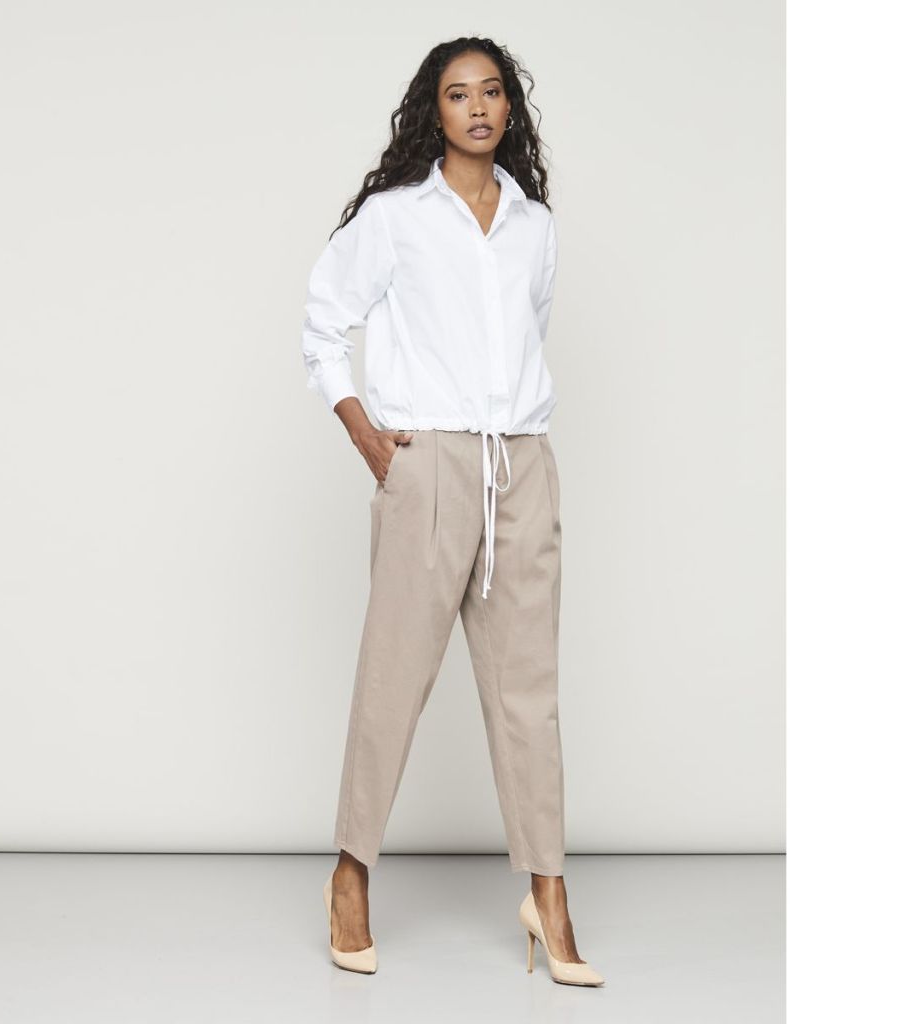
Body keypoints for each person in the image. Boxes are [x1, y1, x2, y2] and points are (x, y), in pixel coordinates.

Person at [302, 37, 604, 987]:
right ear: (433, 113)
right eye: (457, 94)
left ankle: (548, 892)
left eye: (491, 91)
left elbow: (525, 340)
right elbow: (323, 322)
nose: (477, 107)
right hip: (427, 461)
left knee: (529, 692)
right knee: (394, 678)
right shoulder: (396, 218)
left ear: (510, 108)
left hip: (521, 464)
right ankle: (349, 874)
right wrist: (364, 431)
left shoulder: (534, 226)